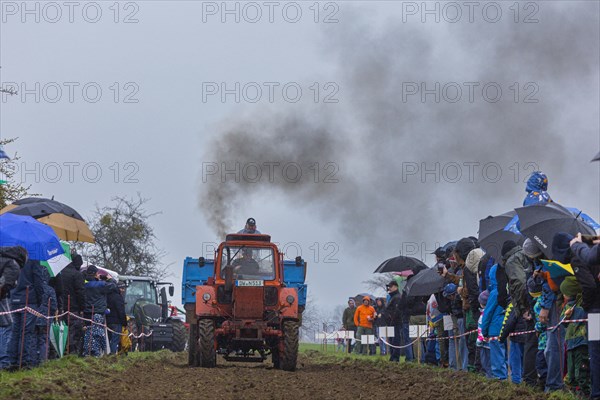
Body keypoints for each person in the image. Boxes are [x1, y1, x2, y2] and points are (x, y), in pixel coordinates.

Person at [569, 233, 600, 399]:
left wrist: (576, 245)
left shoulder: (579, 257)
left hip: (595, 311)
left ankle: (596, 394)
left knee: (595, 353)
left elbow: (590, 256)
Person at [7, 258, 46, 369]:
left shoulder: (12, 260)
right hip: (29, 299)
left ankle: (13, 361)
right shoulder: (34, 260)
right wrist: (39, 298)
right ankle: (24, 361)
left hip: (14, 298)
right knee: (27, 332)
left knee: (15, 331)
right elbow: (38, 281)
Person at [560, 277, 590, 397]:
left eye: (565, 293)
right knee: (571, 373)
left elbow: (584, 315)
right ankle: (574, 393)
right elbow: (562, 322)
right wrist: (566, 317)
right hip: (570, 343)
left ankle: (586, 393)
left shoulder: (582, 304)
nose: (563, 296)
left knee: (581, 372)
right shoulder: (567, 307)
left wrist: (575, 311)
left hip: (581, 342)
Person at [0, 246, 27, 370]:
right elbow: (5, 284)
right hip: (2, 297)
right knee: (6, 325)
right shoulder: (13, 264)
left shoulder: (3, 257)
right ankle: (3, 362)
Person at [481, 262, 508, 380]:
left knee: (497, 357)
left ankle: (500, 380)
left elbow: (487, 313)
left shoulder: (494, 293)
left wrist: (484, 331)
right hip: (506, 327)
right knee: (505, 356)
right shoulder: (507, 289)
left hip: (494, 329)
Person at [82, 265, 116, 357]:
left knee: (88, 333)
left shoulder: (84, 284)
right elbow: (113, 286)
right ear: (96, 274)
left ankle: (86, 352)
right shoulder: (100, 285)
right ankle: (96, 352)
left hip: (87, 312)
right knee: (98, 333)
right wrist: (109, 279)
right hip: (98, 313)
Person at [58, 253, 86, 355]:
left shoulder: (60, 272)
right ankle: (72, 352)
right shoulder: (77, 274)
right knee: (74, 330)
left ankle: (60, 350)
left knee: (61, 328)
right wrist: (82, 307)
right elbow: (80, 292)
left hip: (61, 306)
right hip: (74, 308)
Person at [106, 281, 127, 354]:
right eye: (122, 288)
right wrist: (124, 323)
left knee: (109, 339)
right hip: (117, 322)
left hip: (108, 321)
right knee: (115, 340)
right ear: (118, 288)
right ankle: (112, 355)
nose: (123, 290)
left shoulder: (108, 296)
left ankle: (107, 354)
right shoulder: (118, 297)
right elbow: (121, 311)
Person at [385, 281, 403, 362]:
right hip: (391, 322)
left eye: (391, 286)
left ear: (395, 287)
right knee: (392, 340)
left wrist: (392, 319)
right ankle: (393, 356)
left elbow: (397, 311)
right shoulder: (392, 297)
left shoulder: (397, 297)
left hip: (396, 322)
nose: (389, 288)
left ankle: (395, 357)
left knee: (396, 340)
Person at [477, 290, 492, 378]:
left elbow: (480, 330)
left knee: (486, 363)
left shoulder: (483, 315)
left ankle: (489, 377)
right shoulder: (489, 313)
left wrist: (479, 341)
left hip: (484, 343)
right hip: (490, 343)